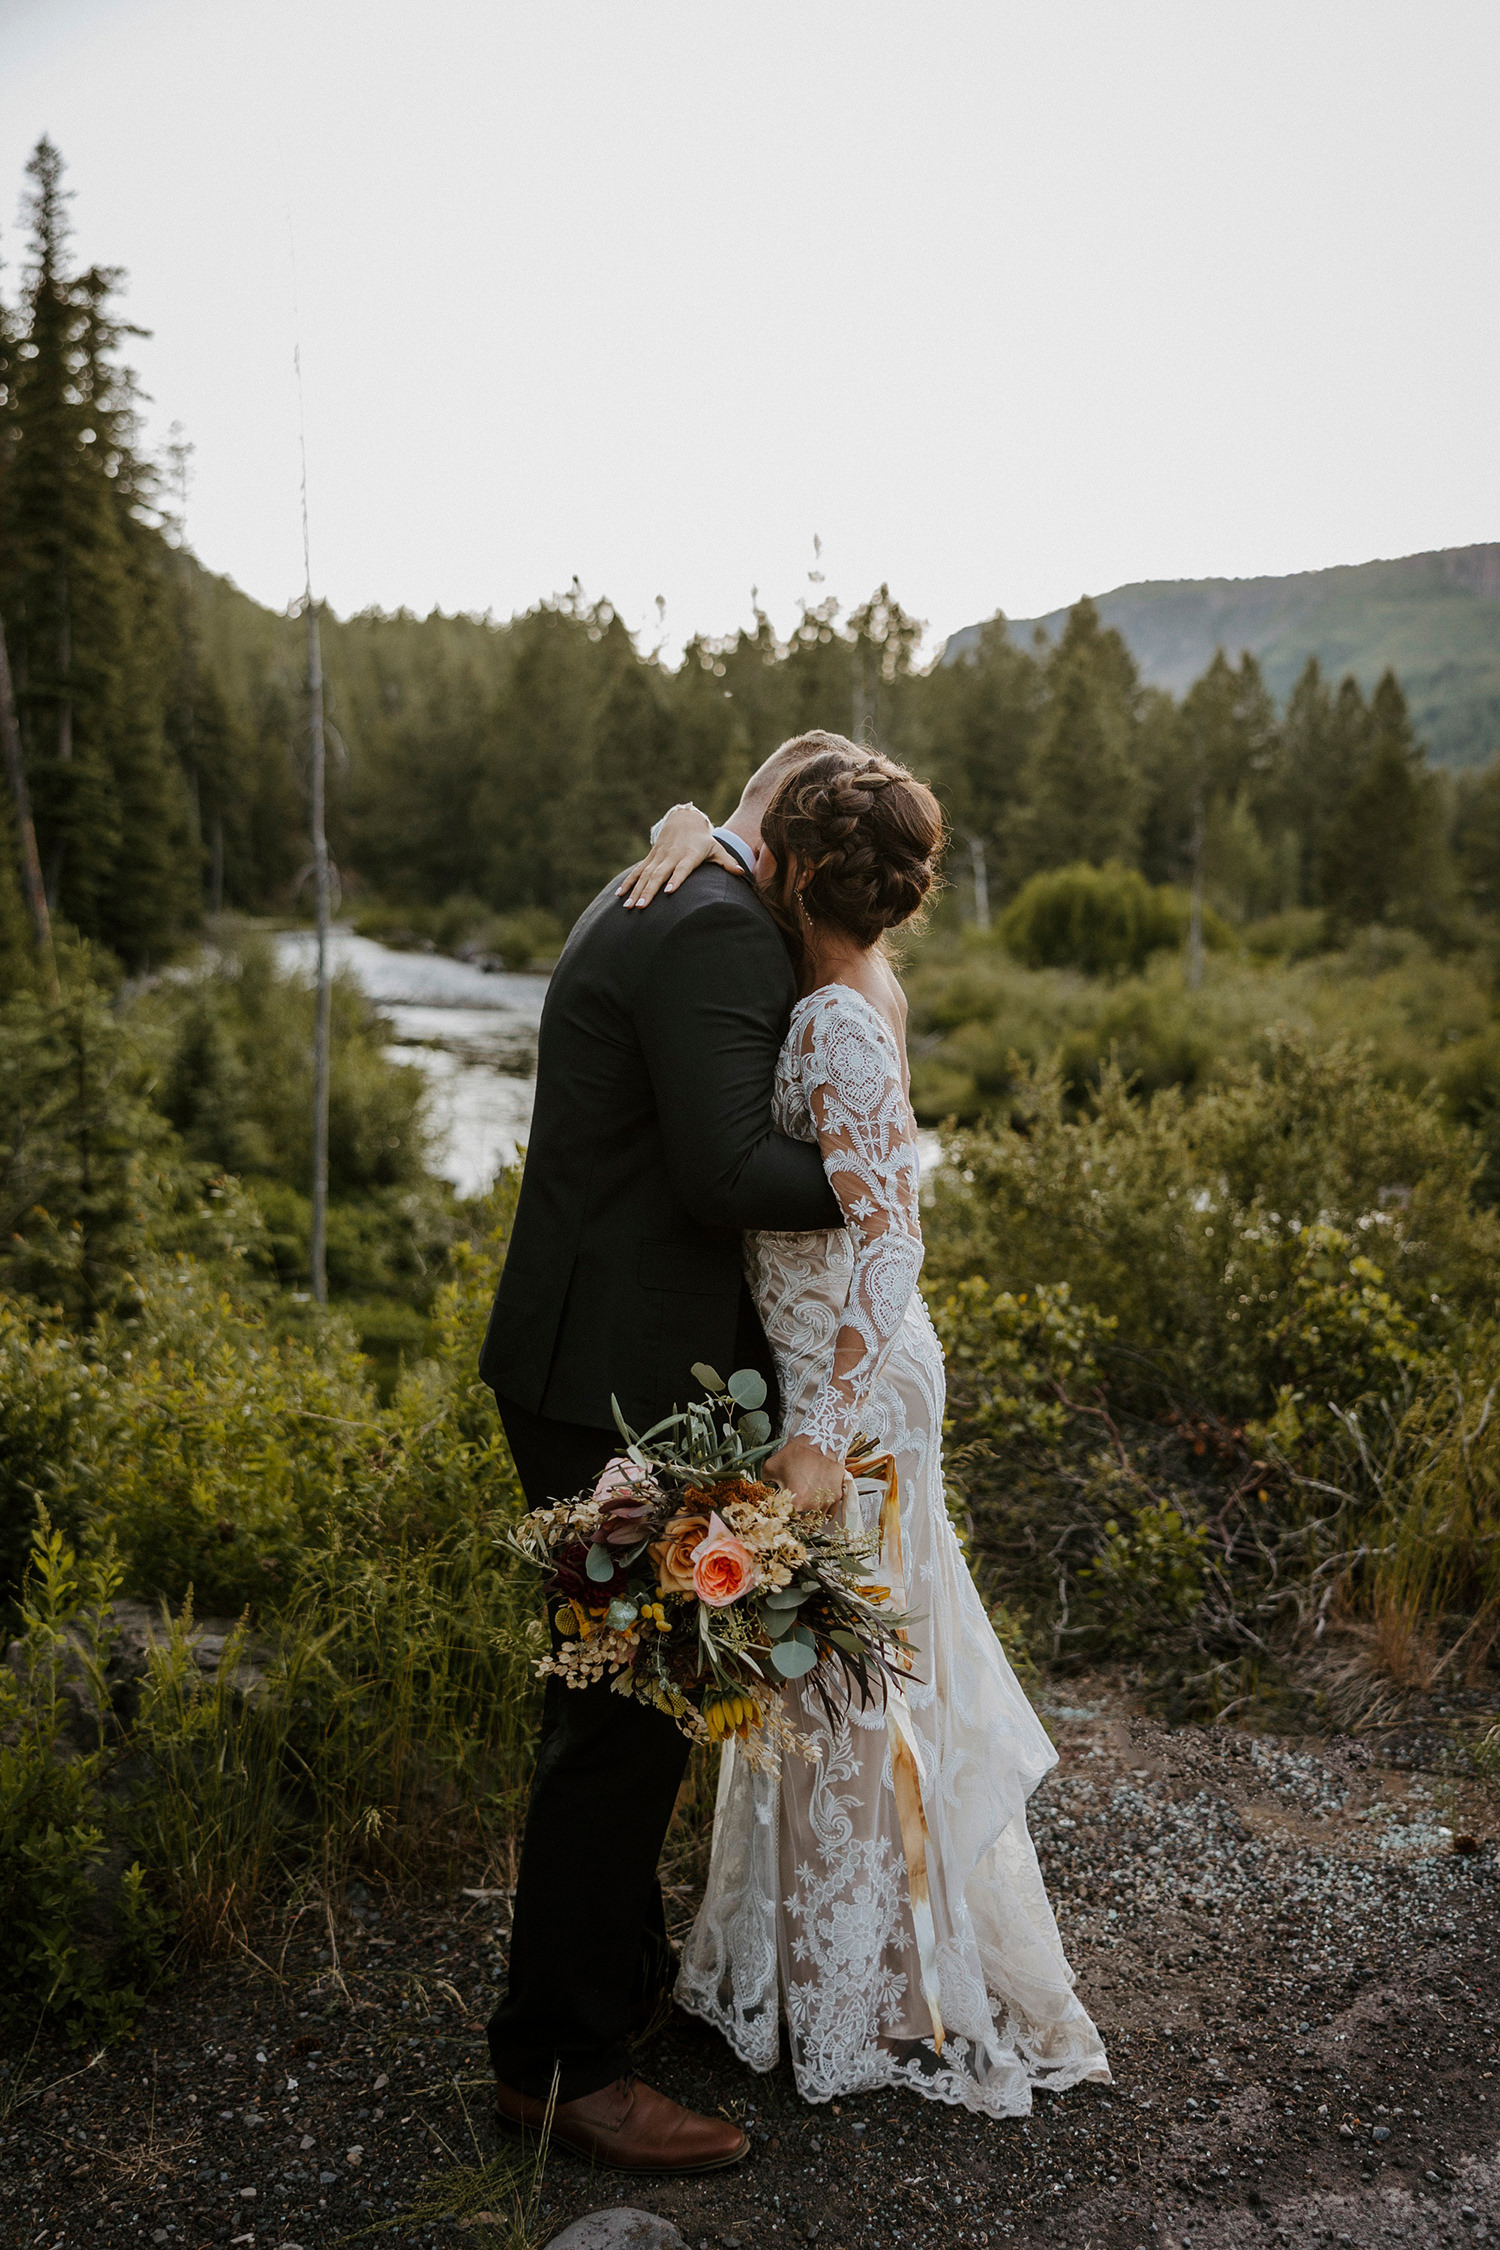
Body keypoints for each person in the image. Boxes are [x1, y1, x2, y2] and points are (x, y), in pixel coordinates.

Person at [632, 748, 1111, 2114]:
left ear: (790, 870)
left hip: (852, 1384)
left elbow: (891, 1237)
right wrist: (685, 820)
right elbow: (780, 777)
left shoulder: (836, 1019)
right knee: (841, 1681)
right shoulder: (859, 978)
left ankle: (876, 1996)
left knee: (846, 1690)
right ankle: (838, 1970)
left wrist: (821, 1434)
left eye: (761, 847)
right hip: (841, 1369)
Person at [478, 730, 860, 2171]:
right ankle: (562, 2067)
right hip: (611, 1381)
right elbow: (724, 1171)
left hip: (595, 1360)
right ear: (793, 846)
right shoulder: (713, 922)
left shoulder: (684, 882)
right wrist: (875, 1172)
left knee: (619, 1695)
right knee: (621, 1717)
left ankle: (606, 1993)